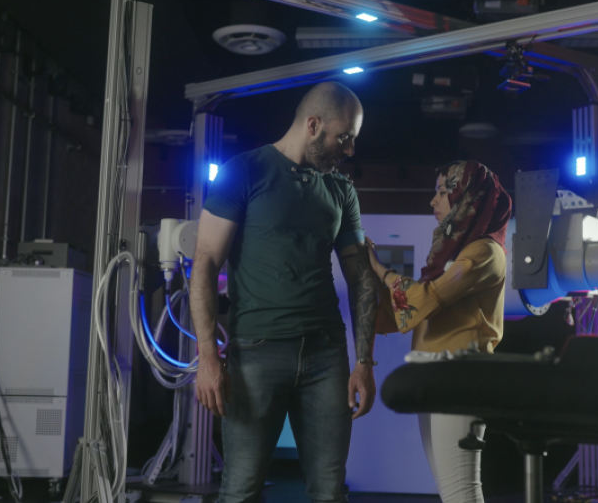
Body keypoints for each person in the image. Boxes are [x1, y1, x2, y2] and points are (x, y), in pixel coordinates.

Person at [189, 82, 378, 503]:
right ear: (313, 126)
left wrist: (364, 361)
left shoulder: (341, 190)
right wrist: (207, 356)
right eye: (343, 138)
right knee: (240, 489)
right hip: (256, 351)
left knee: (329, 492)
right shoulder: (245, 170)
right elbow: (204, 264)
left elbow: (361, 277)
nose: (349, 151)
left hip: (326, 355)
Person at [367, 160, 512, 503]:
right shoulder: (458, 251)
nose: (433, 201)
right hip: (434, 375)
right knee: (451, 493)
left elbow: (426, 299)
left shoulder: (484, 253)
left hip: (459, 377)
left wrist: (380, 270)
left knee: (461, 493)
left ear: (468, 199)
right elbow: (417, 305)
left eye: (444, 192)